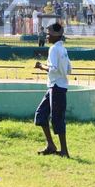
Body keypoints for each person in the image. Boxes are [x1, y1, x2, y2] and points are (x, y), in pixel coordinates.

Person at [33, 23, 71, 158]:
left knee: (57, 119)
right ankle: (51, 145)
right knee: (41, 114)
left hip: (56, 87)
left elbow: (53, 68)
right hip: (56, 86)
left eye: (48, 34)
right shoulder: (63, 49)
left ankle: (64, 151)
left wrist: (41, 66)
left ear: (56, 35)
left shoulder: (54, 49)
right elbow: (69, 69)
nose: (47, 37)